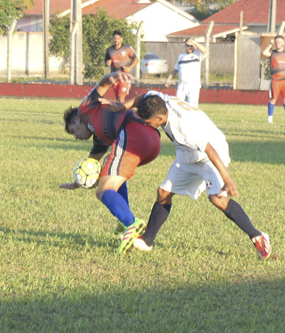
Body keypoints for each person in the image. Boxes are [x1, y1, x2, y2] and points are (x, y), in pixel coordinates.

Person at [114, 91, 272, 260]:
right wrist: (121, 106)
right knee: (163, 193)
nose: (145, 125)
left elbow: (210, 150)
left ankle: (258, 236)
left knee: (217, 199)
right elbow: (144, 96)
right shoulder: (159, 101)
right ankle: (147, 241)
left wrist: (228, 179)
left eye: (147, 122)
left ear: (159, 119)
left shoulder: (184, 126)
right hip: (188, 155)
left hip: (211, 155)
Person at [60, 71, 163, 253]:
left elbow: (102, 84)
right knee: (108, 168)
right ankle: (124, 222)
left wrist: (112, 76)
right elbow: (92, 166)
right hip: (153, 143)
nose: (76, 136)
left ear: (77, 120)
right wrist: (76, 183)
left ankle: (131, 223)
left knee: (103, 191)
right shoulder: (100, 139)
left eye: (73, 130)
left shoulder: (85, 109)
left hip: (132, 132)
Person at [261, 34, 285, 124]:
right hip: (275, 80)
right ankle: (270, 118)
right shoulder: (272, 53)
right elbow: (264, 53)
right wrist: (270, 44)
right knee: (273, 99)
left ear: (284, 43)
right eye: (276, 42)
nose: (278, 44)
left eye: (280, 42)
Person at [165, 38, 208, 107]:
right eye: (188, 46)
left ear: (195, 47)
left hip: (193, 86)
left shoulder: (197, 55)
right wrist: (169, 79)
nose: (189, 48)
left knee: (192, 107)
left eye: (191, 46)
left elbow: (205, 51)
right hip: (181, 86)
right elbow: (176, 69)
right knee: (177, 106)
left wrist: (195, 43)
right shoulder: (181, 56)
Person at [104, 30, 139, 103]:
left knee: (121, 96)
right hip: (115, 77)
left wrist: (129, 68)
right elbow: (106, 61)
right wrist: (107, 63)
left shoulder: (127, 48)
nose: (116, 40)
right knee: (118, 99)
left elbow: (136, 60)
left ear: (121, 39)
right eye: (114, 38)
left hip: (125, 77)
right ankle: (123, 111)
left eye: (118, 38)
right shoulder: (109, 50)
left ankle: (122, 113)